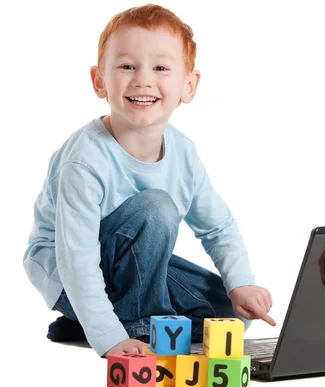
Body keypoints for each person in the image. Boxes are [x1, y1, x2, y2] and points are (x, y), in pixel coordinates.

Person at [22, 4, 275, 358]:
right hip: (66, 271)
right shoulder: (85, 159)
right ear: (99, 81)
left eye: (160, 68)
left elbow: (218, 228)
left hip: (132, 267)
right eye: (127, 66)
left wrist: (242, 283)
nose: (143, 79)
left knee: (233, 314)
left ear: (189, 85)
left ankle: (95, 321)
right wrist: (109, 339)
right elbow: (76, 258)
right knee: (156, 207)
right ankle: (125, 325)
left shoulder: (183, 153)